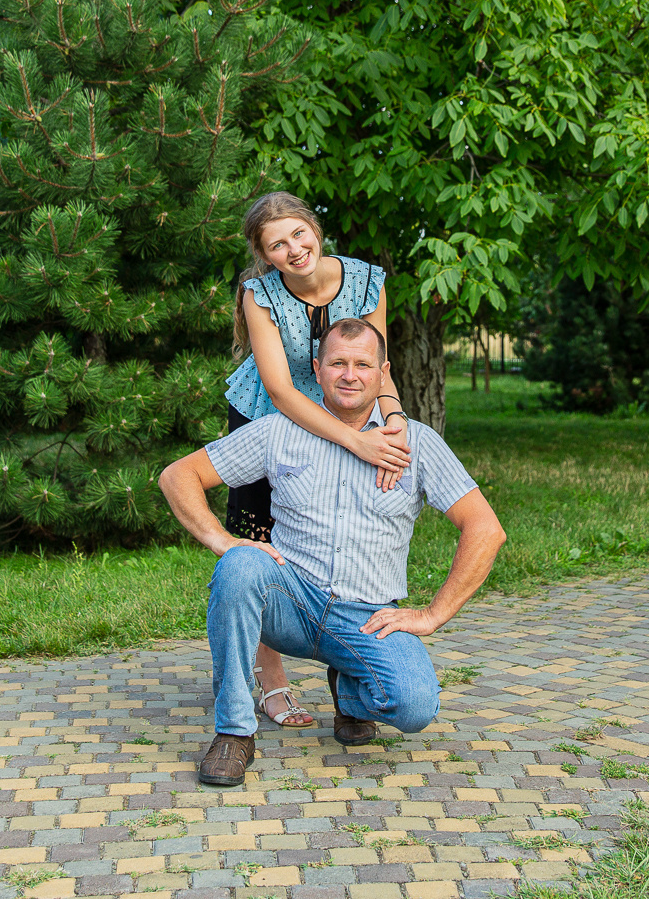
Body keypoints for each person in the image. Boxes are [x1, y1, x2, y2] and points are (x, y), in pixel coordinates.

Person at [163, 317, 508, 787]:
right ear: (317, 368)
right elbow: (177, 476)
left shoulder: (417, 445)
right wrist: (223, 541)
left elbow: (485, 529)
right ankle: (234, 731)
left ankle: (349, 691)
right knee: (241, 564)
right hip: (291, 602)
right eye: (338, 363)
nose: (350, 375)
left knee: (414, 705)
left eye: (363, 364)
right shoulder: (278, 431)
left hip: (365, 616)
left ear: (383, 372)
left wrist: (432, 615)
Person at [223, 192, 414, 730]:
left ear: (315, 228)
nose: (293, 249)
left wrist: (393, 414)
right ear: (264, 255)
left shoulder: (366, 280)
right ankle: (273, 681)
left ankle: (349, 662)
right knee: (260, 545)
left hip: (350, 404)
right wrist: (355, 443)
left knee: (349, 523)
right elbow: (282, 390)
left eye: (298, 234)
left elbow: (376, 365)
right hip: (268, 416)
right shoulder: (258, 295)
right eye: (276, 245)